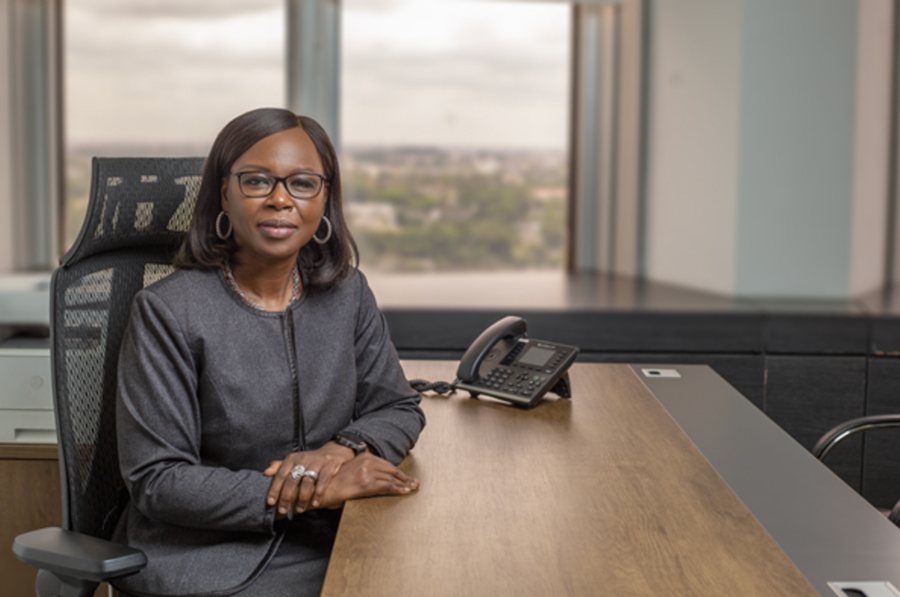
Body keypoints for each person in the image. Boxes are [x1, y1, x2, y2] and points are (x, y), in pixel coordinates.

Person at [113, 107, 426, 597]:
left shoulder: (347, 292)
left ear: (326, 197)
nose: (281, 199)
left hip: (334, 537)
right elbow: (159, 479)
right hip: (209, 557)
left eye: (303, 183)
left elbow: (397, 405)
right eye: (257, 181)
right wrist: (317, 489)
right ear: (224, 193)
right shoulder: (167, 311)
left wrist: (336, 451)